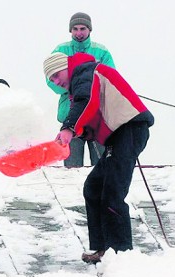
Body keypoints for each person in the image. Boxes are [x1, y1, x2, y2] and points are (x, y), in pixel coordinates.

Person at [43, 52, 154, 264]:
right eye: (52, 80)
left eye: (56, 75)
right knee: (93, 187)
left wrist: (68, 128)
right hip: (118, 135)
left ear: (66, 66)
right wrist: (77, 132)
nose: (56, 82)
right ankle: (103, 248)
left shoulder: (85, 71)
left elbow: (86, 101)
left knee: (112, 191)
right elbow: (92, 118)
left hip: (129, 129)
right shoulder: (82, 82)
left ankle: (121, 254)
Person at [46, 12, 115, 167]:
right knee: (71, 167)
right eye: (75, 29)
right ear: (70, 30)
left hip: (97, 116)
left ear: (89, 29)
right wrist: (72, 89)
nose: (79, 33)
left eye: (82, 28)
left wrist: (89, 90)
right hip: (70, 115)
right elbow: (50, 78)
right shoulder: (61, 50)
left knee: (101, 165)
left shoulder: (102, 52)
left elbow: (110, 77)